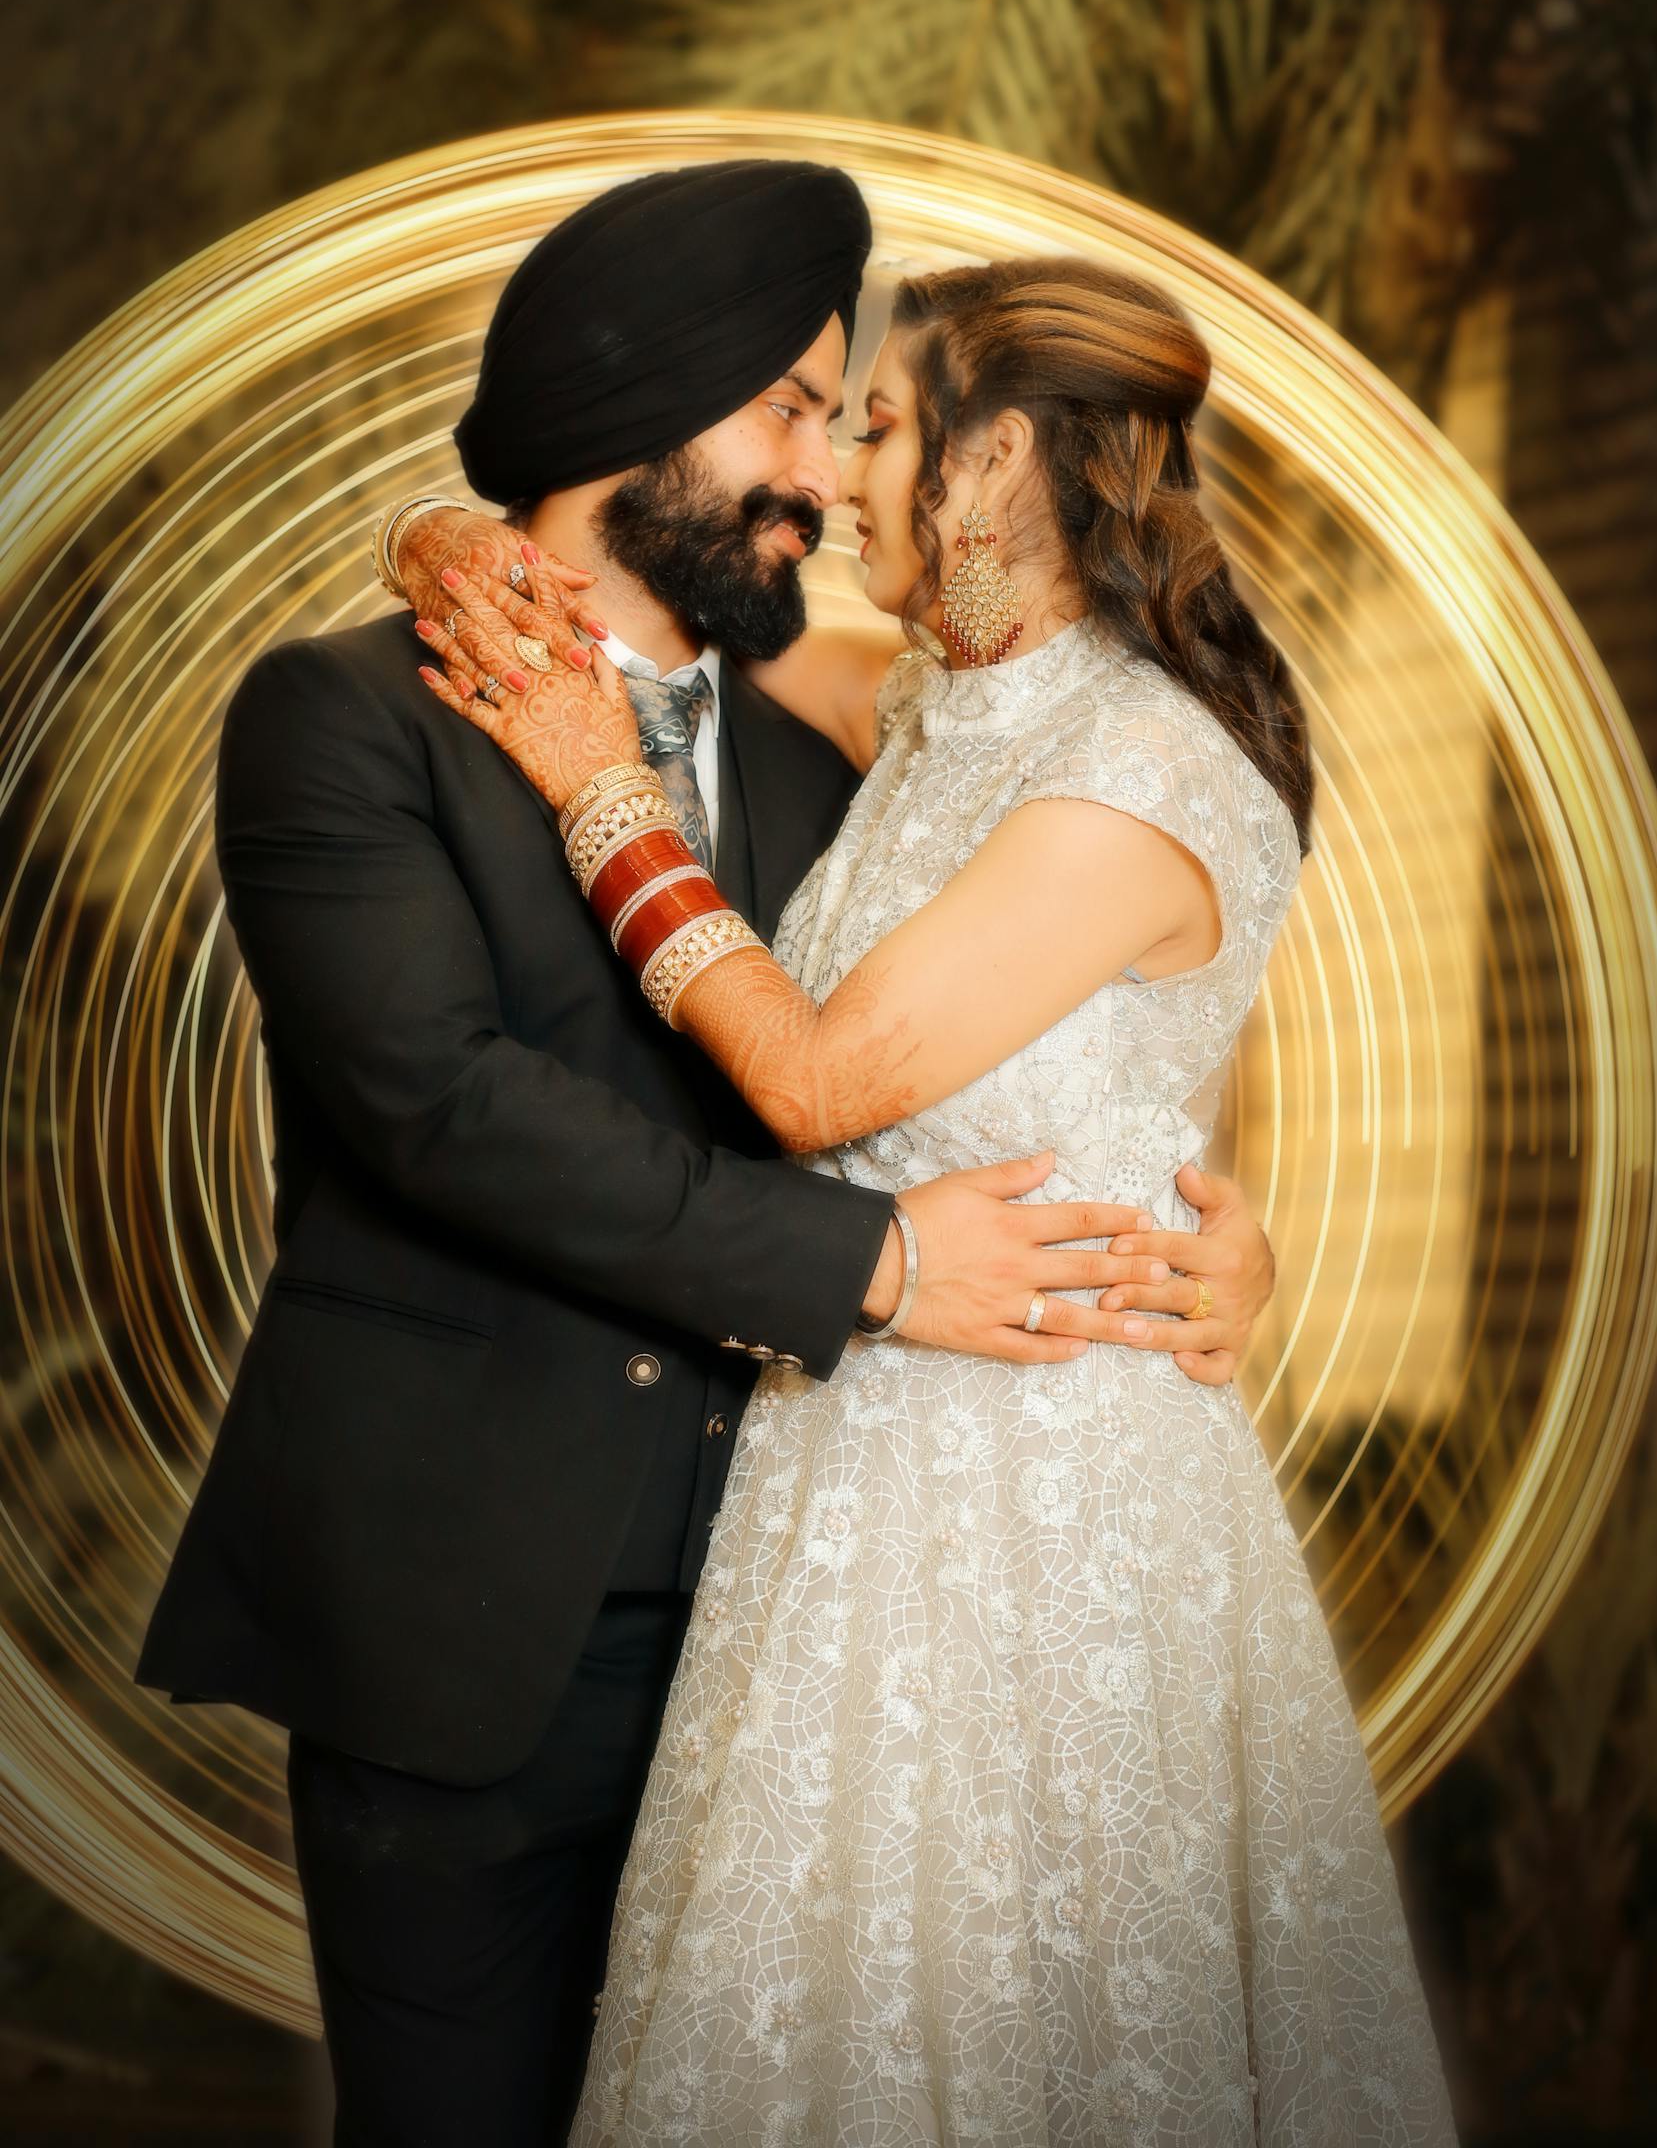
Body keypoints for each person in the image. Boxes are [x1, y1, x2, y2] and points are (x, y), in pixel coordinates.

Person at [133, 162, 1278, 2148]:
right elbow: (445, 1111)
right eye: (785, 413)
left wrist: (1191, 1208)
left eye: (856, 419)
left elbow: (1029, 1022)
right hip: (465, 1628)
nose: (825, 480)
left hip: (801, 1629)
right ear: (628, 416)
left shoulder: (856, 742)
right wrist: (875, 1269)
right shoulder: (337, 720)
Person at [411, 250, 1460, 2145]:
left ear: (998, 468)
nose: (834, 483)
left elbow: (820, 1083)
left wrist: (592, 790)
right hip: (848, 1470)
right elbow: (650, 625)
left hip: (1043, 1513)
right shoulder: (931, 707)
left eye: (877, 430)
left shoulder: (1140, 763)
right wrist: (446, 539)